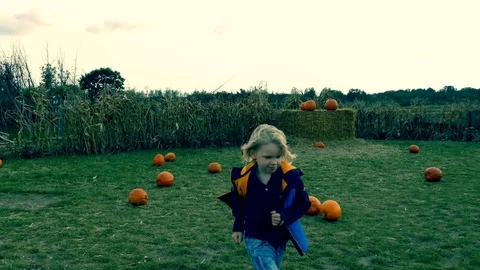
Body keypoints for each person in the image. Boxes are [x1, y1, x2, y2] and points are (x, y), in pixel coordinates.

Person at [229, 124, 311, 269]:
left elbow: (303, 203)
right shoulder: (243, 178)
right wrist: (238, 227)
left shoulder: (291, 178)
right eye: (268, 157)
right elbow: (239, 205)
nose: (274, 162)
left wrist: (284, 216)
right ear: (254, 154)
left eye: (278, 156)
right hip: (255, 236)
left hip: (279, 238)